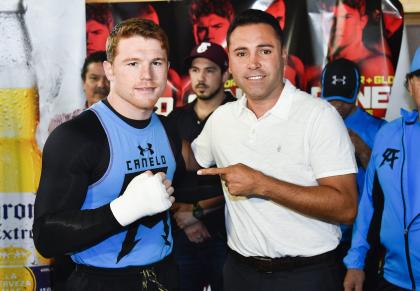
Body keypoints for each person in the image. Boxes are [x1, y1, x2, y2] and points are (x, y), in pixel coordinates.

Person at [191, 9, 358, 291]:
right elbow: (189, 159)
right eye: (241, 53)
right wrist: (143, 118)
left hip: (306, 276)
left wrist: (262, 184)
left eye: (264, 51)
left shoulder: (319, 115)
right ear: (230, 63)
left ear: (282, 56)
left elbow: (346, 207)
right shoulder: (222, 118)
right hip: (239, 273)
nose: (253, 63)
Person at [33, 19, 185, 291]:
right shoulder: (77, 136)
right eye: (133, 63)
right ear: (109, 70)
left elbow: (179, 191)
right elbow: (46, 237)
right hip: (100, 282)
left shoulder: (168, 128)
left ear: (168, 69)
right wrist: (125, 209)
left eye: (156, 63)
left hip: (165, 275)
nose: (147, 75)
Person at [343, 47, 420, 291]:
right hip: (392, 278)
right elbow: (369, 203)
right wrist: (355, 262)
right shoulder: (388, 134)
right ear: (410, 85)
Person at [168, 42, 234, 291]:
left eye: (209, 70)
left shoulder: (239, 115)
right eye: (195, 70)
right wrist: (182, 215)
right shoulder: (175, 119)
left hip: (226, 235)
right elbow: (159, 174)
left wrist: (196, 212)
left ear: (226, 74)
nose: (201, 78)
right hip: (180, 231)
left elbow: (249, 181)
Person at [320, 58, 385, 278]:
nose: (337, 106)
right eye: (332, 99)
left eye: (344, 100)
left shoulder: (379, 129)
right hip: (323, 231)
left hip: (363, 233)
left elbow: (389, 186)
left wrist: (363, 150)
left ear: (356, 93)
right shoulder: (314, 124)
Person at [48, 51, 110, 133]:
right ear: (83, 82)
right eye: (94, 78)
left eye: (108, 79)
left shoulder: (129, 125)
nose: (101, 85)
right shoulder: (62, 124)